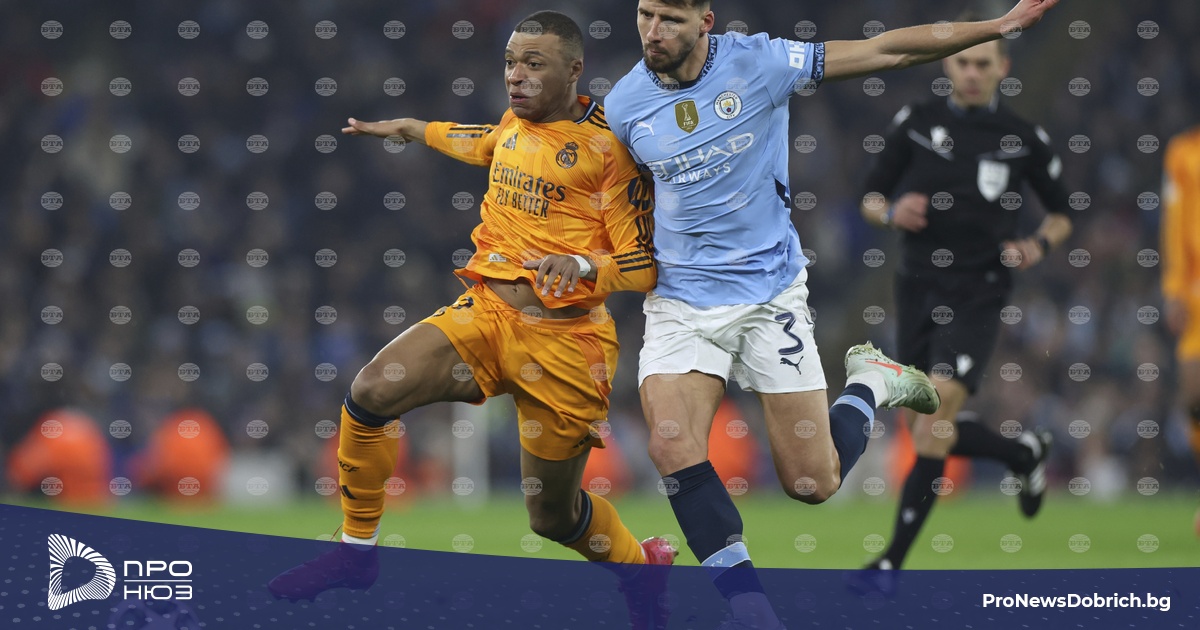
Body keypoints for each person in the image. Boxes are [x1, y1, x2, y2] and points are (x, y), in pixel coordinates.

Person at [603, 0, 1060, 627]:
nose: (653, 32)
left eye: (670, 20)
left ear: (705, 22)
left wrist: (995, 26)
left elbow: (886, 50)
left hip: (769, 296)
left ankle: (869, 383)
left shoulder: (763, 63)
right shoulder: (624, 104)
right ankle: (750, 608)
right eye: (645, 15)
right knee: (670, 441)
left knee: (812, 484)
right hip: (680, 299)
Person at [268, 11, 673, 624]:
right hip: (487, 315)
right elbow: (483, 142)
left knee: (553, 518)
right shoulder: (514, 122)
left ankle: (641, 569)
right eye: (510, 62)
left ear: (574, 70)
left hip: (566, 345)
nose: (516, 75)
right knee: (373, 390)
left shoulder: (609, 147)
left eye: (533, 64)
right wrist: (415, 129)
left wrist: (582, 266)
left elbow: (642, 267)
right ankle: (355, 551)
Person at [852, 12, 1072, 585]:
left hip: (979, 289)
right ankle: (1021, 454)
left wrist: (1037, 245)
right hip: (917, 287)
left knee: (940, 402)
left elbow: (1063, 213)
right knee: (926, 426)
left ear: (1002, 68)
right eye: (963, 62)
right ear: (948, 65)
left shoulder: (1022, 137)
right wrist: (890, 212)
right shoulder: (917, 123)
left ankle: (890, 563)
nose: (972, 72)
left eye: (982, 63)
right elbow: (869, 197)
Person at [1162, 125, 1200, 535]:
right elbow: (1174, 223)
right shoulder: (1183, 152)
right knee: (1194, 394)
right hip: (1196, 292)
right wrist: (1174, 288)